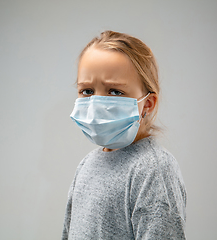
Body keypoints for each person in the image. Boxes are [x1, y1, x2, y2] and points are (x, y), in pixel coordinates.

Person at [62, 31, 187, 239]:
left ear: (147, 104)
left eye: (115, 91)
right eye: (87, 91)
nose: (96, 104)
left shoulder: (153, 169)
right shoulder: (86, 165)